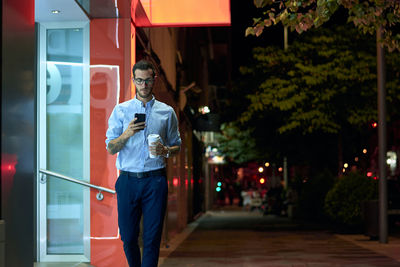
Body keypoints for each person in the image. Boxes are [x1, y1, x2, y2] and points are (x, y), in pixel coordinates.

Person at [105, 59, 181, 267]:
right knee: (128, 237)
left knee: (152, 238)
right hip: (128, 180)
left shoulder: (167, 112)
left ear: (154, 80)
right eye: (139, 80)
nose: (144, 85)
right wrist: (128, 133)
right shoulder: (121, 111)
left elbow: (177, 145)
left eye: (147, 80)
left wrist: (165, 150)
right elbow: (111, 147)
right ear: (133, 80)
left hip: (155, 181)